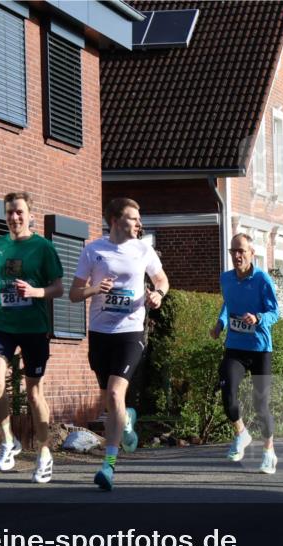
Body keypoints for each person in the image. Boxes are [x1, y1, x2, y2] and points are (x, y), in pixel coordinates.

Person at [70, 198, 169, 491]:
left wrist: (158, 295)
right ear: (114, 220)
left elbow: (161, 279)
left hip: (130, 332)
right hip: (100, 334)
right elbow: (75, 293)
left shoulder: (143, 249)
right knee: (110, 402)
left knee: (115, 394)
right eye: (132, 218)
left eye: (139, 219)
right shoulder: (93, 250)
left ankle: (108, 467)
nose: (139, 224)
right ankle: (126, 422)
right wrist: (94, 288)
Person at [0, 191, 64, 483]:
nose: (14, 217)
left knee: (33, 393)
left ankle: (43, 453)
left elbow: (58, 287)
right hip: (3, 324)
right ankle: (8, 440)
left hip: (34, 327)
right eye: (9, 213)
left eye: (19, 212)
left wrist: (35, 292)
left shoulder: (42, 248)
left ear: (30, 215)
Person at [210, 233, 280, 474]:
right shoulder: (226, 279)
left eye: (242, 251)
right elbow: (227, 304)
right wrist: (220, 323)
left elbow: (275, 312)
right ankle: (241, 433)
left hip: (260, 348)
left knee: (261, 405)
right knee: (227, 391)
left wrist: (258, 318)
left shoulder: (262, 279)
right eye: (233, 252)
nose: (237, 256)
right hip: (235, 347)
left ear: (252, 253)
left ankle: (269, 451)